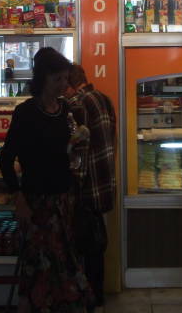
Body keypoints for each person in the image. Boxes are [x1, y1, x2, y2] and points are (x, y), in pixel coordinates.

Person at [0, 48, 92, 313]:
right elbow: (6, 158)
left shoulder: (66, 110)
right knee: (40, 268)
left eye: (66, 79)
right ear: (42, 80)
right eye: (58, 80)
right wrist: (18, 198)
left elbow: (69, 151)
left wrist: (77, 149)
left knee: (65, 265)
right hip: (37, 203)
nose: (64, 85)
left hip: (64, 200)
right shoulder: (26, 113)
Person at [66, 64, 116, 311]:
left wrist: (71, 186)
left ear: (69, 84)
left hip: (85, 189)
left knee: (83, 246)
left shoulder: (76, 105)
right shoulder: (104, 99)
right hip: (104, 185)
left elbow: (79, 153)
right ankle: (97, 294)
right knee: (96, 244)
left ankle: (86, 296)